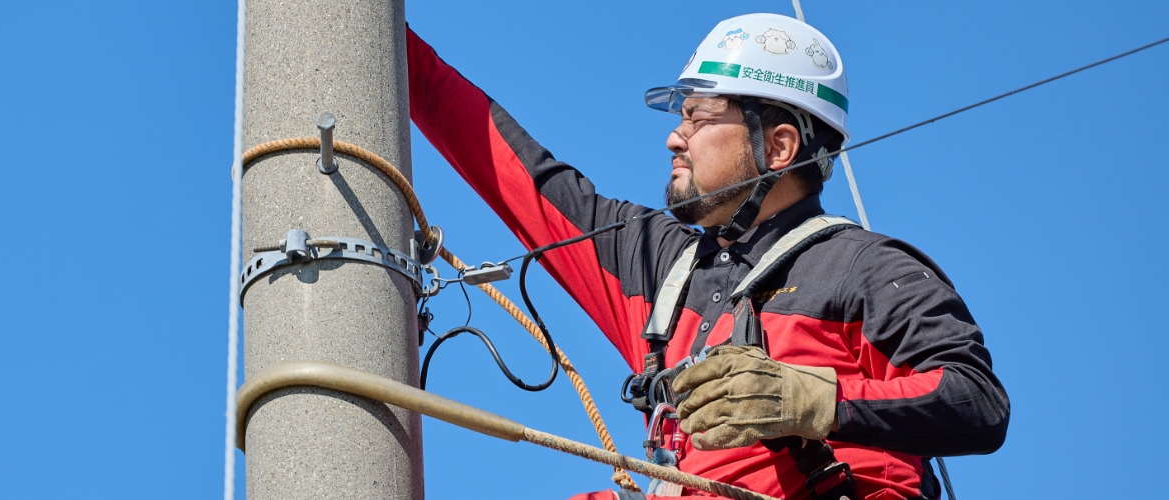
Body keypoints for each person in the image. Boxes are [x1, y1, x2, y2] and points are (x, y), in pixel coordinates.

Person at [407, 13, 1009, 500]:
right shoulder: (657, 264)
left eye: (697, 117)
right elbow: (499, 156)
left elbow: (976, 402)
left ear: (778, 146)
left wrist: (816, 402)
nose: (675, 136)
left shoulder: (867, 269)